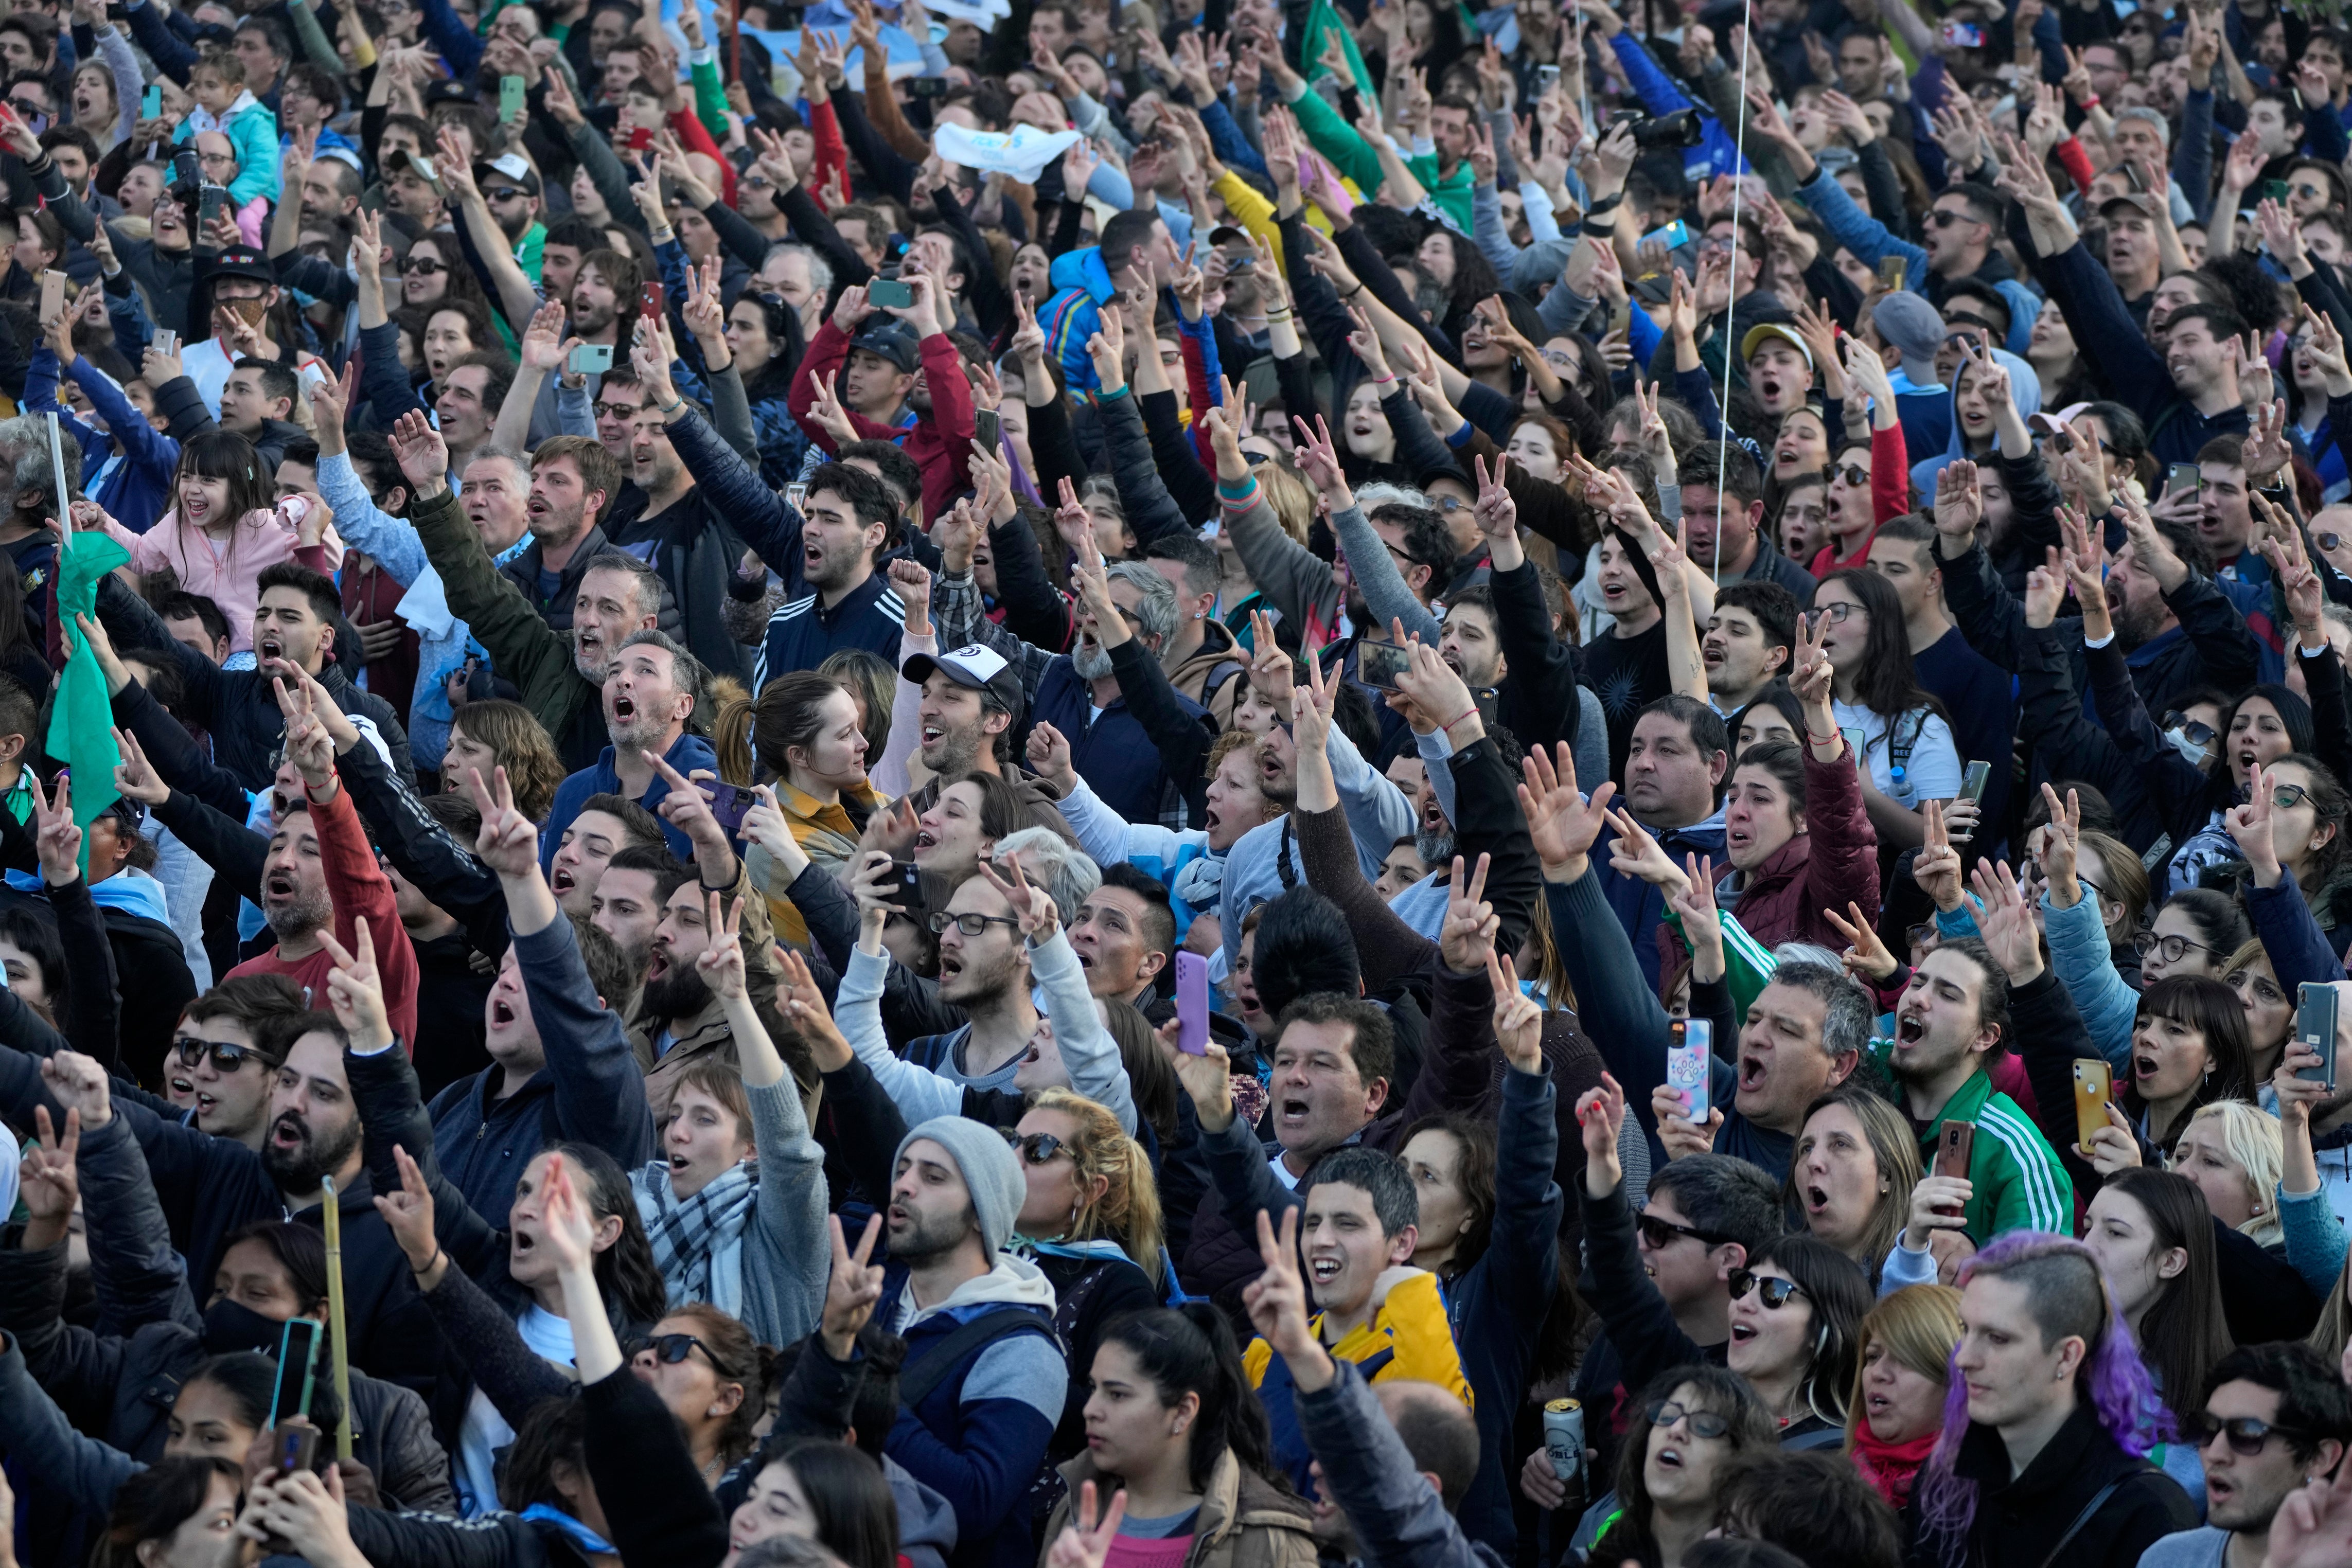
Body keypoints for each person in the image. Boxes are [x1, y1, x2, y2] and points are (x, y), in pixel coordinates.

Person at [1907, 1232, 2197, 1568]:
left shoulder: (2144, 1511)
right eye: (1965, 1330)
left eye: (1997, 1338)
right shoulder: (1943, 1480)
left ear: (2066, 1356)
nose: (1963, 1358)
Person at [875, 1115, 1069, 1568]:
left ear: (982, 1213)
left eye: (933, 1177)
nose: (903, 1186)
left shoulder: (1022, 1347)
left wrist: (863, 1387)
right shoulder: (868, 1306)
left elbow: (977, 1501)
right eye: (902, 1169)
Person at [1039, 1305, 1319, 1568]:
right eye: (1094, 1389)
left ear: (1183, 1412)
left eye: (1117, 1395)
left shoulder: (1270, 1537)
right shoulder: (1074, 1507)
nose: (1090, 1410)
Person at [2141, 1342, 2352, 1568]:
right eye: (2208, 1428)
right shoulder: (2166, 1559)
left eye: (2247, 1433)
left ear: (2319, 1458)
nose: (2215, 1453)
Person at [1845, 1284, 1963, 1510]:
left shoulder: (1981, 1498)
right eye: (1873, 1356)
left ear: (1954, 1380)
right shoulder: (1829, 1483)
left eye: (1904, 1359)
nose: (1877, 1373)